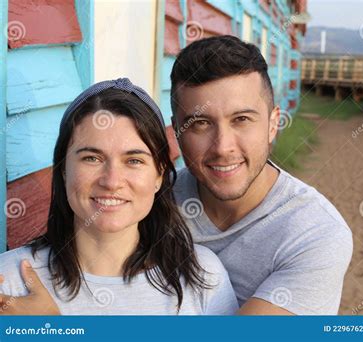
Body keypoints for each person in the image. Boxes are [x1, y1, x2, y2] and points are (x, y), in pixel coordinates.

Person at [2, 36, 353, 315]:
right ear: (176, 133)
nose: (223, 147)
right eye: (200, 123)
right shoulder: (147, 198)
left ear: (274, 122)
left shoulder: (314, 236)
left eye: (242, 120)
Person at [0, 79, 238, 315]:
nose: (112, 181)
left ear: (158, 176)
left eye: (134, 161)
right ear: (63, 169)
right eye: (92, 158)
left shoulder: (203, 278)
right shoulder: (10, 281)